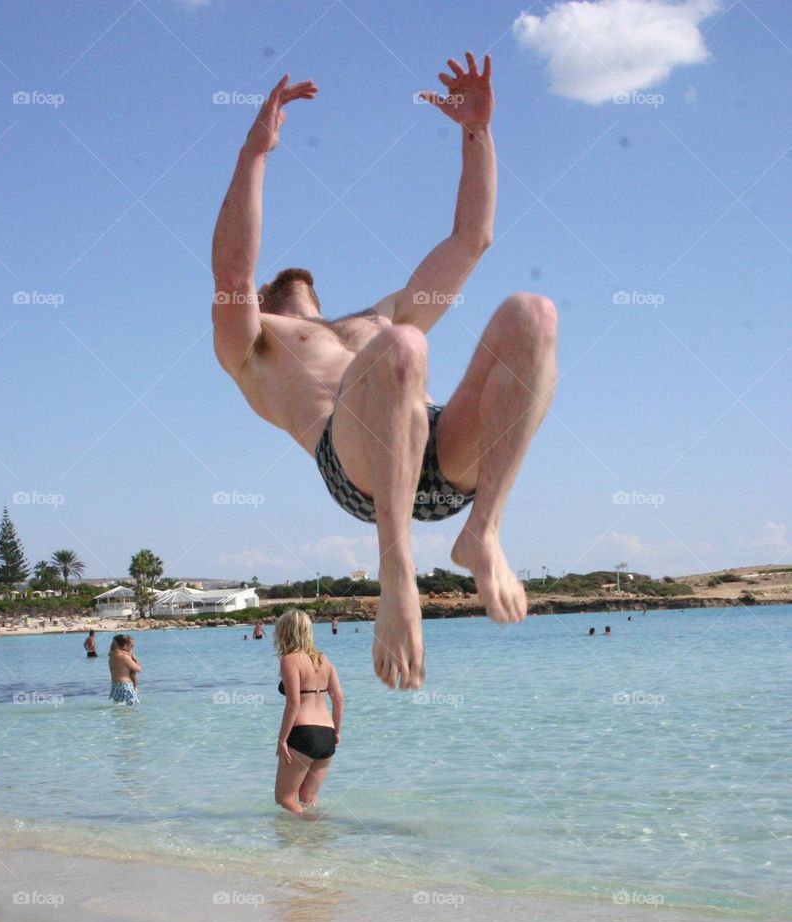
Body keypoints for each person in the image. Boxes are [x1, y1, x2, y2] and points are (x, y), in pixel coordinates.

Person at [211, 53, 557, 692]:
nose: (292, 277)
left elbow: (471, 237)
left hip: (439, 454)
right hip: (357, 470)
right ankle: (397, 576)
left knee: (531, 316)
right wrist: (254, 153)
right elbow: (232, 273)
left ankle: (483, 533)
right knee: (403, 347)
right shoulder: (257, 342)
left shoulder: (377, 316)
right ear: (261, 299)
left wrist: (476, 132)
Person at [274, 609, 343, 815]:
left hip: (303, 733)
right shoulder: (324, 660)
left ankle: (309, 833)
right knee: (308, 798)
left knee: (285, 799)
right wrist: (337, 732)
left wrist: (282, 739)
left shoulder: (290, 659)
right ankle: (317, 837)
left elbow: (294, 703)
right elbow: (338, 698)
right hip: (327, 734)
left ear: (285, 632)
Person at [108, 634, 141, 706]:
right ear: (125, 646)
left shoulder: (111, 655)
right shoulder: (124, 657)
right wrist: (134, 658)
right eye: (131, 646)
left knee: (121, 710)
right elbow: (138, 669)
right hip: (125, 686)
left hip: (115, 686)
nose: (132, 649)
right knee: (135, 708)